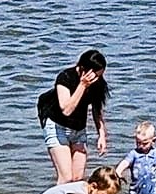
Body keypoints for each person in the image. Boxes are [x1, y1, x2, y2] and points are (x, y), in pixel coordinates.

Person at [37, 49, 109, 183]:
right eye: (95, 75)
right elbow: (66, 109)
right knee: (66, 178)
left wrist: (102, 135)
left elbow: (97, 110)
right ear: (82, 69)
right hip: (57, 127)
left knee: (77, 180)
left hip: (78, 130)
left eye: (100, 75)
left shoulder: (98, 83)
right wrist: (82, 85)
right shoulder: (65, 78)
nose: (97, 79)